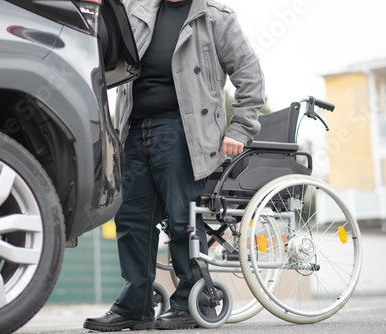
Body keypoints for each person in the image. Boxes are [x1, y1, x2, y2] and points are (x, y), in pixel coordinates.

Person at [83, 0, 264, 331]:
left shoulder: (215, 17)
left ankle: (189, 302)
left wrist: (239, 129)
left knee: (183, 220)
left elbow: (250, 75)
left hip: (184, 132)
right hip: (134, 130)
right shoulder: (137, 10)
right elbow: (103, 47)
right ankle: (135, 307)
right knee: (131, 220)